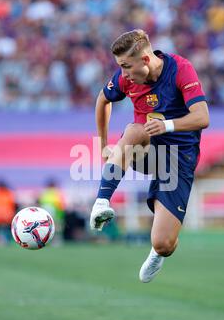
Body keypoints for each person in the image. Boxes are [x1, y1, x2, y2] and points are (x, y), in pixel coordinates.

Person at [90, 29, 209, 282]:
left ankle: (157, 253)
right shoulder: (127, 79)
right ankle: (101, 202)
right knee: (134, 131)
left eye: (126, 67)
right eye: (120, 67)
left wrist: (167, 125)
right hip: (148, 151)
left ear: (145, 61)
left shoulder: (180, 69)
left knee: (164, 243)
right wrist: (103, 145)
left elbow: (202, 117)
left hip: (179, 160)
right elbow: (103, 100)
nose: (123, 75)